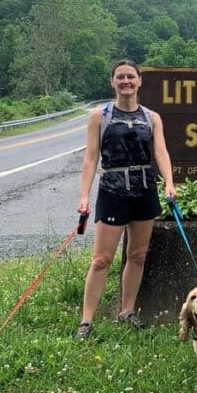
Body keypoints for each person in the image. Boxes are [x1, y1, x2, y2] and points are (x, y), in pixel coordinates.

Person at [75, 59, 175, 339]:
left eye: (131, 76)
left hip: (144, 190)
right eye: (120, 77)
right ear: (112, 82)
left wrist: (169, 182)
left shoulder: (152, 117)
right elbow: (91, 158)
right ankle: (87, 321)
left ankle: (127, 311)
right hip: (112, 190)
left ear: (139, 81)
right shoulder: (100, 116)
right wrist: (84, 195)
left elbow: (161, 152)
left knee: (137, 255)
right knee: (101, 259)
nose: (126, 81)